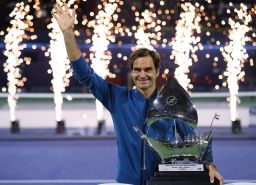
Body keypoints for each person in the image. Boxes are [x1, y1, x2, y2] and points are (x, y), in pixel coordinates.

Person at [52, 2, 224, 185]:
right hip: (126, 182)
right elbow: (84, 75)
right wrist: (68, 34)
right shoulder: (117, 98)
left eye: (148, 69)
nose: (142, 75)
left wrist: (210, 166)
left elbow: (193, 140)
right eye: (137, 70)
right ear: (132, 72)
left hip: (161, 182)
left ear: (157, 71)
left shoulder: (172, 103)